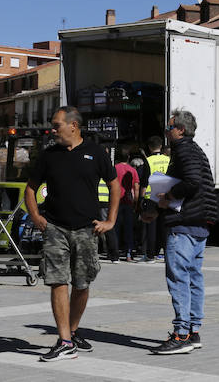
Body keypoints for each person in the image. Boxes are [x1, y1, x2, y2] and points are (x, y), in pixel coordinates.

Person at [25, 106, 120, 362]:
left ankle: (73, 331)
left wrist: (110, 220)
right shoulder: (49, 155)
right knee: (57, 281)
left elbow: (114, 184)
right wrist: (36, 217)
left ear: (73, 126)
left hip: (86, 229)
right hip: (55, 228)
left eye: (57, 125)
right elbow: (31, 188)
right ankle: (65, 340)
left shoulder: (96, 153)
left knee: (82, 284)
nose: (53, 130)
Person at [151, 109, 217, 355]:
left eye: (170, 127)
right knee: (193, 278)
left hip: (184, 223)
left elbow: (191, 182)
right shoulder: (196, 149)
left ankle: (181, 334)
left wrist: (168, 195)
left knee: (179, 278)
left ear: (180, 129)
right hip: (199, 223)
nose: (167, 132)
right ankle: (194, 330)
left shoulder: (184, 150)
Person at [139, 135, 169, 263]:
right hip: (166, 196)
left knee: (151, 227)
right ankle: (167, 255)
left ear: (149, 147)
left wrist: (141, 199)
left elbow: (144, 182)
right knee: (165, 227)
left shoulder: (148, 161)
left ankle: (151, 255)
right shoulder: (168, 159)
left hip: (151, 197)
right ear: (161, 146)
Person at [114, 155, 140, 262]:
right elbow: (136, 188)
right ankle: (128, 253)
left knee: (116, 228)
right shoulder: (133, 170)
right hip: (128, 202)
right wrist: (136, 203)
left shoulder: (114, 168)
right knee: (129, 228)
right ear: (129, 157)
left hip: (117, 201)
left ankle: (115, 254)